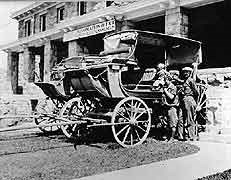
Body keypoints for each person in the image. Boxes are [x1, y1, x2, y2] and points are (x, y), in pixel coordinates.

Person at [179, 67, 199, 141]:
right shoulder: (185, 81)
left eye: (187, 72)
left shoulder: (191, 80)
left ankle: (191, 136)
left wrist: (193, 101)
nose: (185, 73)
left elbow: (196, 92)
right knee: (181, 118)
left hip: (189, 100)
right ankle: (183, 136)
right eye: (184, 72)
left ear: (190, 73)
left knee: (189, 118)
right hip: (184, 100)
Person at [162, 76, 179, 142]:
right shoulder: (166, 87)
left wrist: (165, 91)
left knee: (173, 123)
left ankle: (172, 138)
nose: (165, 82)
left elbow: (171, 97)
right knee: (166, 123)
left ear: (169, 80)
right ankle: (167, 137)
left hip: (172, 107)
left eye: (165, 80)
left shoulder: (173, 87)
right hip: (166, 107)